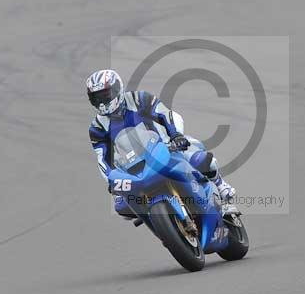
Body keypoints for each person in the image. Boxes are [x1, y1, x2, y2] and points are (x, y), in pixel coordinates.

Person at [86, 69, 238, 220]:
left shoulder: (139, 99)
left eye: (104, 95)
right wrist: (112, 180)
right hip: (133, 168)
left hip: (166, 147)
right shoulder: (97, 127)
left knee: (200, 159)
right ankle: (160, 222)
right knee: (122, 206)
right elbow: (102, 158)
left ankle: (221, 187)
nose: (101, 102)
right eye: (96, 98)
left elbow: (165, 113)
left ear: (116, 89)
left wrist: (176, 135)